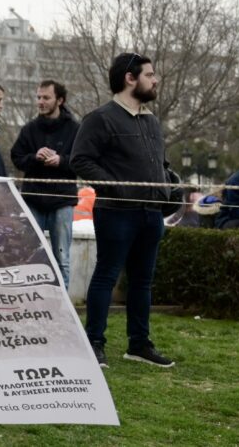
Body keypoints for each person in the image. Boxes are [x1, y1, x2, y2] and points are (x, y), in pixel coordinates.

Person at [71, 52, 175, 368]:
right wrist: (117, 185)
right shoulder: (100, 118)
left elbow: (161, 163)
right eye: (150, 74)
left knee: (142, 281)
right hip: (116, 212)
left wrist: (169, 184)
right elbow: (80, 160)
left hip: (151, 213)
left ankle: (139, 345)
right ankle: (94, 344)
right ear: (130, 78)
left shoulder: (152, 121)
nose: (155, 80)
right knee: (106, 275)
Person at [10, 80, 80, 290]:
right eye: (38, 97)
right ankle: (31, 305)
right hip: (33, 200)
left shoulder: (76, 129)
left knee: (62, 259)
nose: (40, 102)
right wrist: (34, 157)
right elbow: (16, 157)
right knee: (29, 256)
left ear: (60, 100)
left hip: (62, 202)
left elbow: (84, 161)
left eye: (46, 97)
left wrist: (62, 161)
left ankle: (62, 310)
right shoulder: (29, 129)